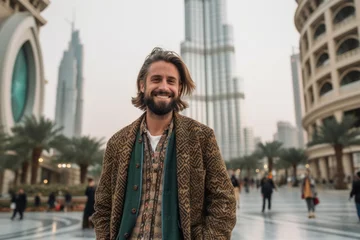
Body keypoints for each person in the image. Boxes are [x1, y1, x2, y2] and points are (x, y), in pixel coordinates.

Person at [92, 48, 236, 240]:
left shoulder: (201, 138)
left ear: (179, 89)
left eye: (171, 81)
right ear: (142, 85)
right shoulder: (117, 143)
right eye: (156, 79)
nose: (164, 87)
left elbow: (224, 201)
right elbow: (103, 206)